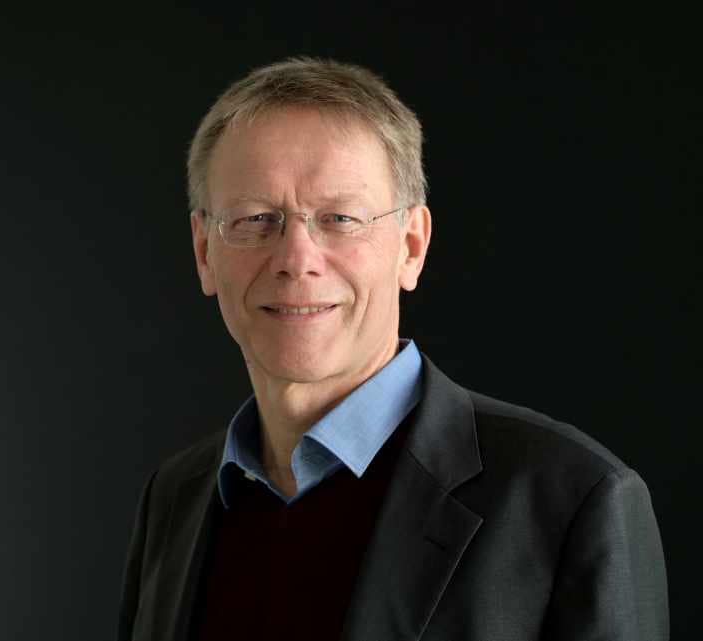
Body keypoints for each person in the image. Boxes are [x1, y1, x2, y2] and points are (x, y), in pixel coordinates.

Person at [117, 57, 669, 641]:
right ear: (205, 252)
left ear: (411, 246)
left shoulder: (571, 499)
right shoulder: (174, 498)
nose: (296, 259)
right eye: (256, 219)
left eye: (340, 218)